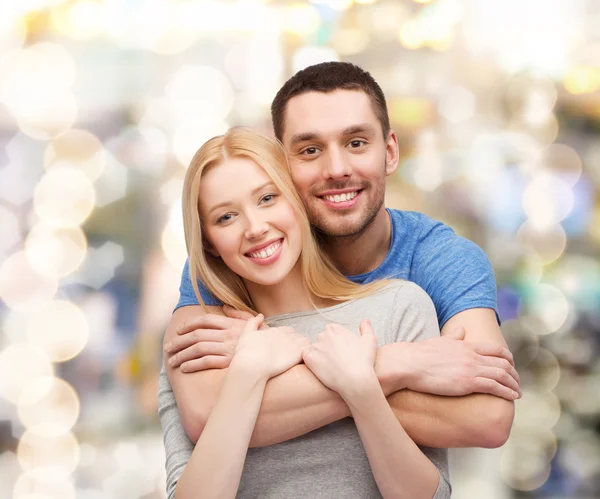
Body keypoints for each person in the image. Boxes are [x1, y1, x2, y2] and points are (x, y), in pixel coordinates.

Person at [162, 62, 519, 460]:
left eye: (356, 143)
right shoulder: (242, 259)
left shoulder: (441, 259)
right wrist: (396, 364)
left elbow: (487, 418)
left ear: (389, 152)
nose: (336, 170)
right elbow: (205, 416)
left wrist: (275, 377)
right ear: (281, 165)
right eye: (310, 150)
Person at [161, 126, 452, 498]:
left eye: (267, 198)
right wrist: (249, 371)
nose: (255, 227)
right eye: (226, 218)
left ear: (296, 200)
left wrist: (361, 387)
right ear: (209, 244)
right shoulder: (204, 343)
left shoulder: (398, 307)